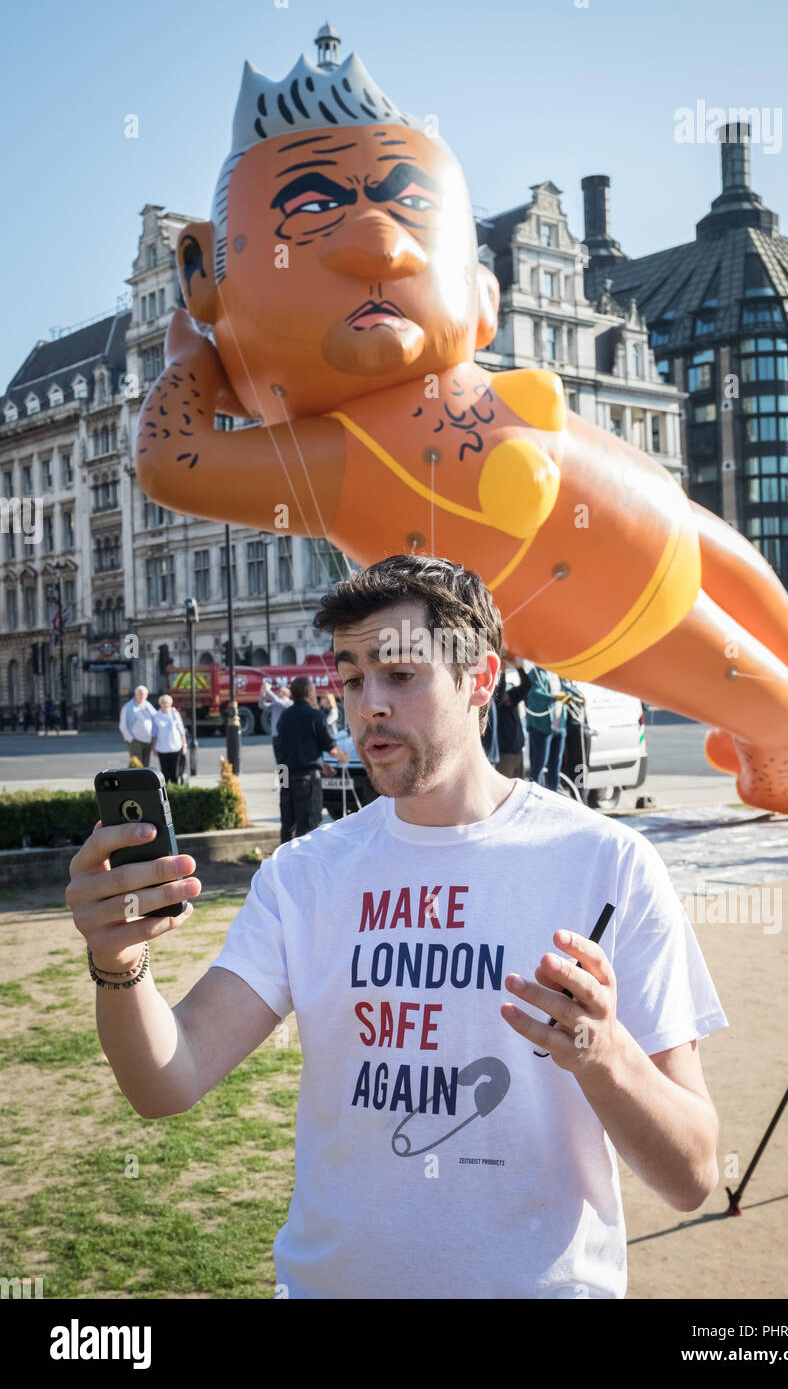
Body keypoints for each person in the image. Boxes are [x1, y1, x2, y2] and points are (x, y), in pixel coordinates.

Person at [66, 552, 727, 1301]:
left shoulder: (607, 865)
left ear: (480, 680)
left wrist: (607, 1054)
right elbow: (168, 1080)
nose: (367, 704)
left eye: (400, 675)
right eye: (351, 677)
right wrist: (118, 960)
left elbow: (693, 1174)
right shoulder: (305, 873)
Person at [274, 675, 350, 842]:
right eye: (314, 691)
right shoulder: (314, 716)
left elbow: (288, 747)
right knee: (309, 822)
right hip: (306, 777)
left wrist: (321, 764)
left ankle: (285, 860)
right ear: (309, 693)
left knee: (288, 822)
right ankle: (303, 862)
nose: (315, 694)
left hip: (284, 774)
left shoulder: (284, 716)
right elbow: (330, 748)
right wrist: (343, 757)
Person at [481, 650, 530, 779]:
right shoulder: (492, 700)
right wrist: (502, 671)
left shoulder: (510, 696)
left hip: (518, 752)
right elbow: (500, 694)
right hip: (504, 755)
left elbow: (526, 685)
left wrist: (516, 664)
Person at [526, 664, 569, 789]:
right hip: (542, 727)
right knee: (539, 764)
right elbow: (535, 693)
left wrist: (576, 696)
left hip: (560, 725)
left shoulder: (557, 672)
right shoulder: (536, 673)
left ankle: (553, 794)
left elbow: (566, 688)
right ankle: (535, 796)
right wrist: (555, 698)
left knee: (556, 764)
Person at [151, 695, 188, 785]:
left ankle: (175, 789)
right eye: (163, 703)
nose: (165, 705)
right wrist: (154, 747)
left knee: (175, 773)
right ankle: (167, 790)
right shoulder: (156, 716)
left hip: (175, 747)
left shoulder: (175, 714)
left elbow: (181, 730)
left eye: (167, 703)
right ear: (160, 704)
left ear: (170, 703)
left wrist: (184, 745)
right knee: (165, 773)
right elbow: (154, 733)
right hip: (162, 748)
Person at [119, 686, 158, 766]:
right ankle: (137, 779)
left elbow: (157, 717)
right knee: (137, 765)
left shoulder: (148, 705)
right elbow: (122, 725)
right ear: (135, 695)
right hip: (135, 741)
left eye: (144, 694)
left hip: (148, 740)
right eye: (139, 694)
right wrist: (130, 739)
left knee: (146, 765)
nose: (142, 696)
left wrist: (171, 710)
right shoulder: (127, 707)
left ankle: (145, 779)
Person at [258, 677, 292, 767]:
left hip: (285, 735)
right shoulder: (275, 705)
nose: (277, 693)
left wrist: (268, 690)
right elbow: (262, 705)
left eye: (280, 691)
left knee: (286, 758)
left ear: (286, 694)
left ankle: (288, 778)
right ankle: (283, 780)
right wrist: (263, 694)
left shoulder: (289, 703)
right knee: (279, 759)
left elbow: (277, 701)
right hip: (276, 735)